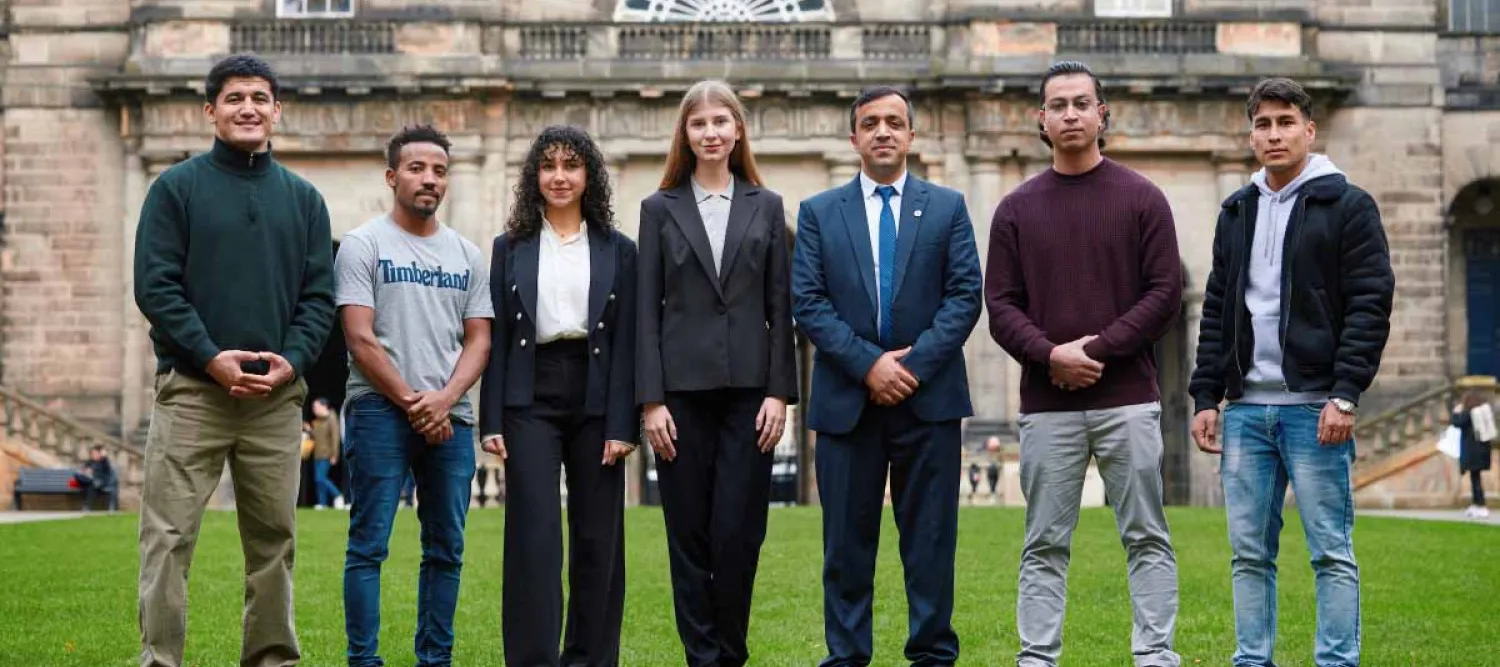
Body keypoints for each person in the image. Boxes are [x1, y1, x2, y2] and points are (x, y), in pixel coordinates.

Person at [133, 52, 334, 667]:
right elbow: (156, 287)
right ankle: (159, 660)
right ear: (210, 111)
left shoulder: (304, 200)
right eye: (234, 98)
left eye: (259, 98)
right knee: (167, 539)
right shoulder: (175, 188)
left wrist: (292, 362)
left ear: (278, 111)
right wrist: (210, 356)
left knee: (275, 542)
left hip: (275, 401)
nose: (248, 108)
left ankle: (271, 660)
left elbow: (319, 298)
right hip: (193, 393)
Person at [1189, 76, 1395, 667]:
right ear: (1251, 135)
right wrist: (1206, 394)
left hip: (1315, 408)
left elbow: (1369, 304)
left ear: (1310, 129)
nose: (1274, 134)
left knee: (1330, 550)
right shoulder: (1237, 211)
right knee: (1248, 553)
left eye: (1285, 123)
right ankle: (1252, 659)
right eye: (1263, 124)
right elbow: (1218, 308)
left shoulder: (1348, 205)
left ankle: (1336, 661)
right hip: (1248, 411)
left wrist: (1346, 395)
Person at [985, 60, 1183, 667]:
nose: (1070, 114)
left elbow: (1164, 294)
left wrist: (1092, 352)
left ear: (1103, 114)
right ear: (1039, 121)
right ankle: (1037, 657)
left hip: (1128, 397)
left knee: (1147, 535)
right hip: (1048, 406)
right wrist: (1050, 356)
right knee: (1044, 541)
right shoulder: (1016, 209)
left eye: (1081, 103)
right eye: (1058, 105)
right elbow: (1000, 306)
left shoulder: (1143, 198)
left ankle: (1154, 654)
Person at [791, 85, 982, 667]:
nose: (882, 132)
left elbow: (964, 295)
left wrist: (910, 367)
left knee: (929, 544)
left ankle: (931, 655)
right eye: (870, 123)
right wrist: (869, 365)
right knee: (846, 548)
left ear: (911, 136)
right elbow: (808, 300)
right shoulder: (819, 212)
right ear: (853, 138)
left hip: (929, 402)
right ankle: (846, 657)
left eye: (894, 122)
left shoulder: (947, 206)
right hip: (848, 402)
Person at [638, 79, 799, 667]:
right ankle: (701, 657)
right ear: (685, 133)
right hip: (678, 398)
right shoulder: (658, 209)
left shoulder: (768, 204)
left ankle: (732, 652)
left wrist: (781, 392)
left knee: (738, 535)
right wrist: (650, 401)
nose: (710, 133)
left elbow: (781, 309)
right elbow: (645, 314)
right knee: (689, 538)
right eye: (698, 123)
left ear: (738, 130)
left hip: (750, 397)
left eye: (720, 122)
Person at [479, 124, 639, 666]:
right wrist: (491, 417)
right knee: (534, 537)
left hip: (597, 393)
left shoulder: (622, 250)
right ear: (534, 177)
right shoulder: (511, 247)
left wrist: (623, 423)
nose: (560, 176)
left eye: (571, 165)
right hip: (530, 394)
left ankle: (591, 658)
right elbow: (497, 335)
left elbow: (627, 342)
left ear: (588, 175)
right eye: (548, 166)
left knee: (599, 540)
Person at [337, 124, 493, 667]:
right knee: (369, 546)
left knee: (446, 549)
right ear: (391, 176)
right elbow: (359, 336)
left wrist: (445, 399)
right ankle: (364, 660)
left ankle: (435, 659)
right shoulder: (363, 245)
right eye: (417, 168)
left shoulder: (469, 256)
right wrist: (414, 402)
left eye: (440, 171)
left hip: (452, 416)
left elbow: (480, 339)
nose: (430, 180)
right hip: (381, 410)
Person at [1450, 389, 1494, 518]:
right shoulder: (1480, 413)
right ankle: (1476, 504)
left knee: (1476, 480)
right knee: (1475, 478)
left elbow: (1457, 423)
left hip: (1473, 452)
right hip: (1482, 451)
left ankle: (1481, 505)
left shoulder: (1469, 414)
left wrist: (1455, 412)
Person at [309, 397, 344, 509]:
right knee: (318, 480)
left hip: (327, 454)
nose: (314, 409)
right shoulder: (317, 420)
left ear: (324, 406)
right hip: (317, 454)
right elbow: (316, 436)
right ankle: (322, 503)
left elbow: (335, 437)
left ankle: (337, 495)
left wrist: (335, 454)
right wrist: (309, 430)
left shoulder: (331, 417)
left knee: (321, 477)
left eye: (316, 406)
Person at [77, 445, 118, 512]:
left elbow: (106, 469)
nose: (93, 455)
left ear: (99, 454)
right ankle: (87, 506)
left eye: (95, 453)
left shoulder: (103, 461)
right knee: (88, 485)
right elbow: (84, 470)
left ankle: (87, 507)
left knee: (92, 486)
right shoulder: (90, 462)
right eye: (92, 453)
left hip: (102, 481)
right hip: (92, 481)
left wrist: (104, 457)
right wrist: (85, 471)